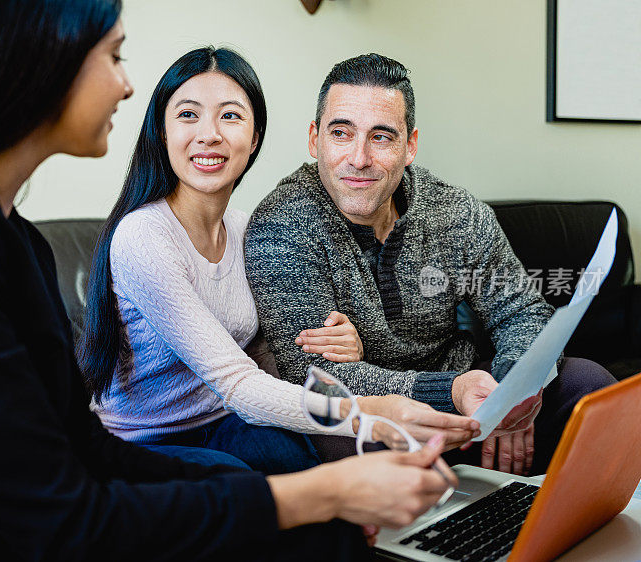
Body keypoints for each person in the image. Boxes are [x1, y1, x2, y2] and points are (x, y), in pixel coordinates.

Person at [0, 3, 458, 560]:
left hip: (195, 433)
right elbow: (66, 518)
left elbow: (85, 445)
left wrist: (364, 416)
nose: (126, 83)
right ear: (37, 56)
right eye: (112, 54)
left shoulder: (11, 236)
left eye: (230, 117)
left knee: (288, 489)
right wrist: (334, 469)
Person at [77, 46, 480, 475]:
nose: (209, 134)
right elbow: (237, 382)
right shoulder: (144, 236)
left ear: (254, 138)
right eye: (188, 115)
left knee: (302, 463)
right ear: (162, 131)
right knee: (238, 482)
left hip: (225, 422)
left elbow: (267, 354)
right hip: (143, 438)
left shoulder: (247, 229)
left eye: (230, 116)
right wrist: (371, 414)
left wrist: (347, 341)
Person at [244, 52, 616, 475]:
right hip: (380, 416)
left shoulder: (455, 212)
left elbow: (523, 311)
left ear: (410, 146)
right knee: (343, 437)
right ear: (315, 139)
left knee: (589, 386)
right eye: (341, 133)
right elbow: (313, 377)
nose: (359, 157)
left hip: (471, 401)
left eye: (381, 137)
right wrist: (449, 393)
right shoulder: (282, 225)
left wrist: (515, 394)